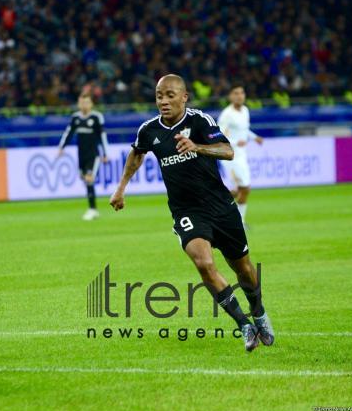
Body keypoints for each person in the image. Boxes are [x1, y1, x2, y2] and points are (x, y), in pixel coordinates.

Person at [110, 74, 274, 352]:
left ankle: (258, 312)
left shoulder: (200, 121)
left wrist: (197, 146)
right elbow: (137, 154)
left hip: (220, 206)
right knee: (203, 263)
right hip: (187, 211)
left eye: (170, 95)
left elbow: (228, 150)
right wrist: (121, 188)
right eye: (159, 96)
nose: (164, 101)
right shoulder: (149, 130)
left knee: (243, 268)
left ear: (184, 97)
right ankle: (244, 325)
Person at [58, 93, 110, 220]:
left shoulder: (97, 117)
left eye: (86, 102)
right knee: (85, 179)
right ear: (78, 104)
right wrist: (61, 147)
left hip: (94, 155)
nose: (84, 105)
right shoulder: (75, 118)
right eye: (81, 102)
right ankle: (93, 208)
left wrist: (105, 153)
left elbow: (102, 136)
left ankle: (92, 209)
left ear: (91, 104)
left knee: (89, 179)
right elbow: (68, 133)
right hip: (81, 156)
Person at [218, 85, 263, 227]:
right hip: (231, 156)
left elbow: (244, 129)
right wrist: (236, 142)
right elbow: (219, 134)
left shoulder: (245, 111)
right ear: (230, 96)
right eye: (236, 93)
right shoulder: (227, 114)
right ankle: (239, 221)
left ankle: (224, 214)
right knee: (245, 188)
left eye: (242, 92)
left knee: (237, 191)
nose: (239, 96)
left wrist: (254, 137)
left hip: (242, 155)